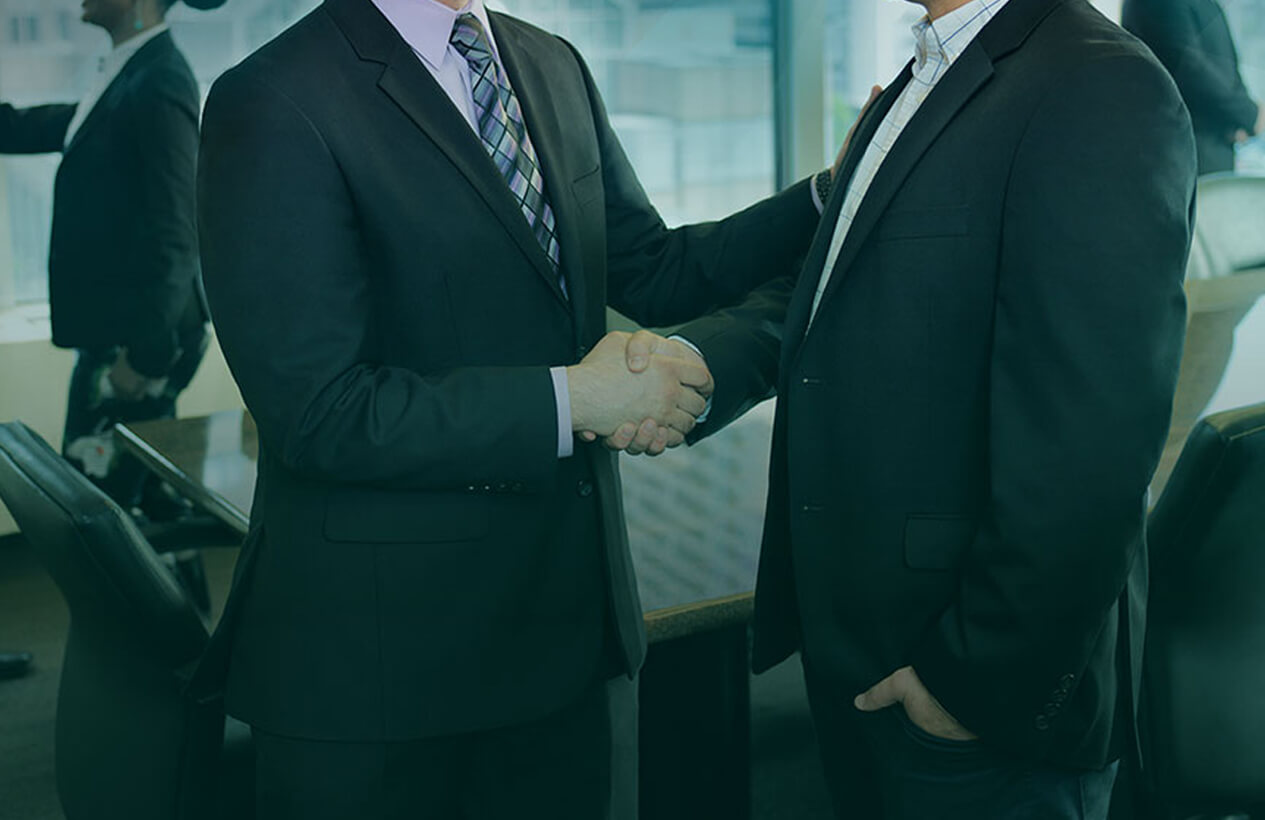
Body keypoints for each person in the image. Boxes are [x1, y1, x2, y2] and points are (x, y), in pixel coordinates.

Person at [192, 0, 828, 816]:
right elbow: (320, 412)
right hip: (386, 673)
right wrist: (574, 397)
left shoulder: (548, 61)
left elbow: (654, 269)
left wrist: (822, 196)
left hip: (569, 635)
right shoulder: (274, 97)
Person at [621, 0, 1197, 816]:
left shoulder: (1098, 85)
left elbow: (1091, 443)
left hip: (967, 694)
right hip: (868, 650)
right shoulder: (924, 76)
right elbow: (834, 289)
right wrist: (696, 363)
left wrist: (969, 684)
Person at [0, 0, 222, 521]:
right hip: (127, 334)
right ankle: (182, 600)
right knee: (144, 503)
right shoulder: (129, 69)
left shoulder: (161, 77)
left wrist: (144, 357)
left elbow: (176, 227)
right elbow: (36, 127)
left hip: (139, 340)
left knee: (98, 516)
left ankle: (164, 602)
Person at [1124, 0, 1263, 173]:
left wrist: (1237, 122)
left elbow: (1228, 67)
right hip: (1179, 150)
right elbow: (1186, 66)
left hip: (1213, 147)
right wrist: (1248, 114)